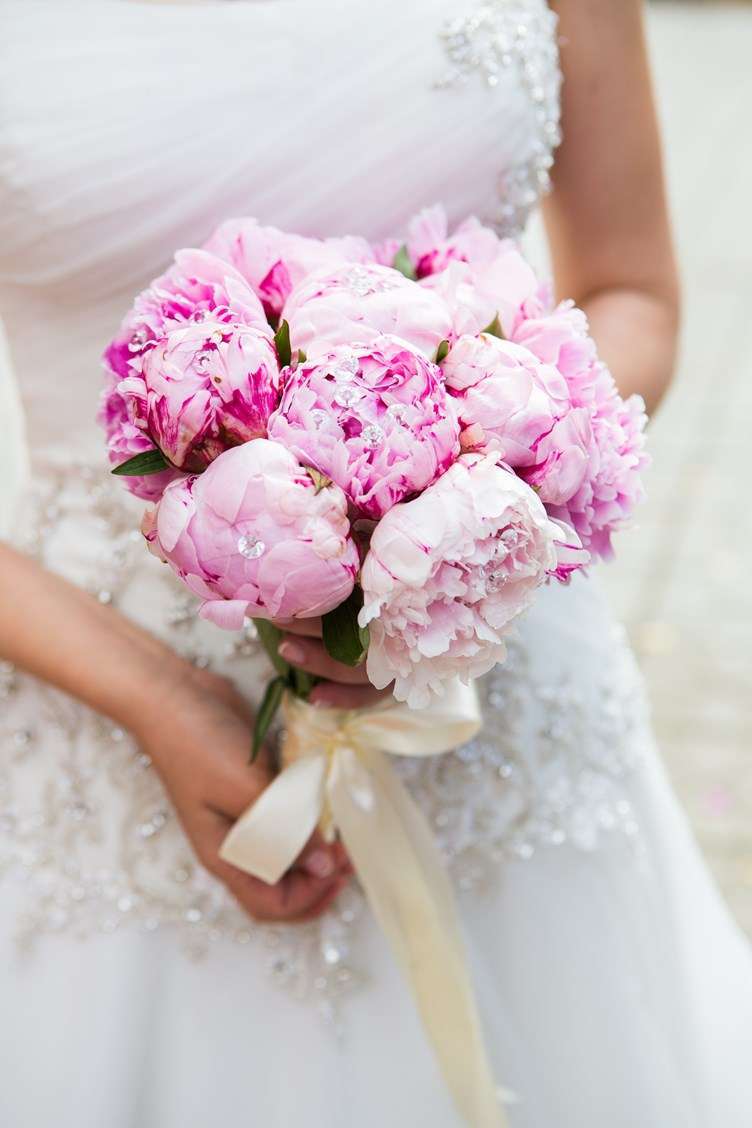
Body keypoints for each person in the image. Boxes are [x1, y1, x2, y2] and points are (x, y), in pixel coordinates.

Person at [0, 1, 750, 1125]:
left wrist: (471, 518)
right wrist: (154, 694)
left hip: (496, 705)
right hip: (100, 739)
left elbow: (633, 290)